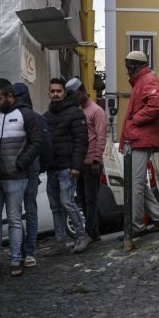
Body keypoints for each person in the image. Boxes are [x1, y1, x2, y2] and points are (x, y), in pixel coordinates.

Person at [0, 78, 44, 276]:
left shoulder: (26, 115)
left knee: (15, 219)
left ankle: (15, 260)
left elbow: (37, 142)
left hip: (16, 176)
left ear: (10, 97)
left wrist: (21, 162)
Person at [120, 51, 159, 236]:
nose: (127, 69)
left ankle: (136, 227)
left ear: (138, 65)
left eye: (129, 65)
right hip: (139, 138)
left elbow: (158, 104)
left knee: (135, 185)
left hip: (141, 139)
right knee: (138, 183)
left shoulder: (147, 79)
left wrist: (137, 118)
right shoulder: (141, 81)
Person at [44, 78, 90, 253]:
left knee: (67, 202)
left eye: (59, 91)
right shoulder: (46, 116)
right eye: (52, 91)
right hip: (52, 168)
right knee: (55, 206)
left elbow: (81, 142)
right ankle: (60, 242)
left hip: (67, 168)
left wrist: (76, 166)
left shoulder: (75, 113)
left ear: (65, 93)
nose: (55, 94)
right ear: (49, 93)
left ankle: (81, 235)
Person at [11, 83, 51, 267]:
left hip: (14, 169)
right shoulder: (36, 117)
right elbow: (45, 145)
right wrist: (43, 166)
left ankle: (18, 252)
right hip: (32, 167)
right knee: (31, 209)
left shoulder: (10, 116)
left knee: (16, 212)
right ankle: (29, 252)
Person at [66, 78, 107, 241]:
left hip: (91, 163)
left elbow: (101, 136)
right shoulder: (77, 110)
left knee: (91, 199)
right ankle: (92, 230)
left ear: (82, 92)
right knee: (82, 199)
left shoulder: (96, 111)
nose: (74, 99)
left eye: (75, 95)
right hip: (79, 162)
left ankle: (91, 231)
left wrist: (97, 160)